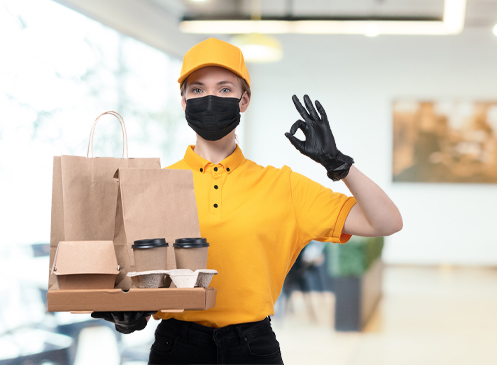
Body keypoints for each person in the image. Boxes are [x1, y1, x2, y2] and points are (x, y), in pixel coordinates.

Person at [92, 38, 403, 364]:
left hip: (252, 349)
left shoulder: (283, 186)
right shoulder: (154, 184)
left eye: (224, 89)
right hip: (176, 348)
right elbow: (135, 275)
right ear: (183, 102)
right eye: (197, 90)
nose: (210, 98)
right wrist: (131, 313)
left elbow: (386, 221)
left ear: (244, 100)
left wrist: (340, 165)